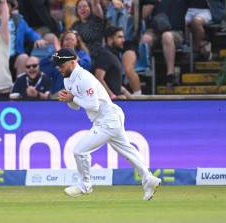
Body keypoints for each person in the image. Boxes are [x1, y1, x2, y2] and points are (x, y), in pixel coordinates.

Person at [56, 48, 161, 199]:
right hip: (109, 117)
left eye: (61, 64)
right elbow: (76, 106)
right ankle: (149, 179)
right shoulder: (67, 79)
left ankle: (85, 185)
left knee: (79, 151)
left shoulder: (85, 78)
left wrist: (73, 98)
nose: (59, 68)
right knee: (127, 151)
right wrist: (68, 100)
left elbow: (93, 106)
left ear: (73, 62)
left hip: (107, 120)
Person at [144, 0, 196, 86]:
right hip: (156, 31)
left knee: (167, 36)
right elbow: (144, 16)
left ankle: (170, 74)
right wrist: (153, 1)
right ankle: (144, 71)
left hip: (176, 33)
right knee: (145, 38)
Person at [94, 26, 129, 99]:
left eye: (123, 37)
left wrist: (127, 93)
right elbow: (98, 78)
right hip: (107, 103)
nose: (123, 40)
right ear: (110, 39)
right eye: (120, 37)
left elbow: (113, 82)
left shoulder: (113, 55)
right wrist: (111, 95)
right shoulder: (105, 54)